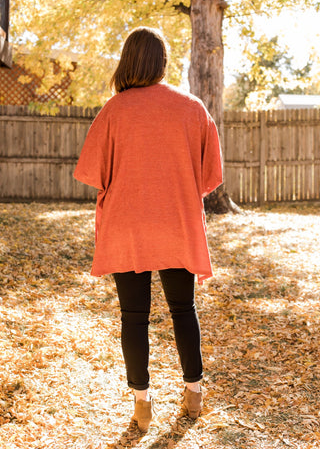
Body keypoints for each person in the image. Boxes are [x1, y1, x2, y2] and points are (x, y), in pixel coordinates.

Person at [73, 27, 223, 432]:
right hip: (176, 222)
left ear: (128, 61)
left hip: (127, 227)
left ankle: (142, 403)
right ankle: (194, 394)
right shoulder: (193, 109)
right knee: (183, 310)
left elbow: (94, 175)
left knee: (133, 317)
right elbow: (209, 178)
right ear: (162, 63)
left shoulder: (113, 111)